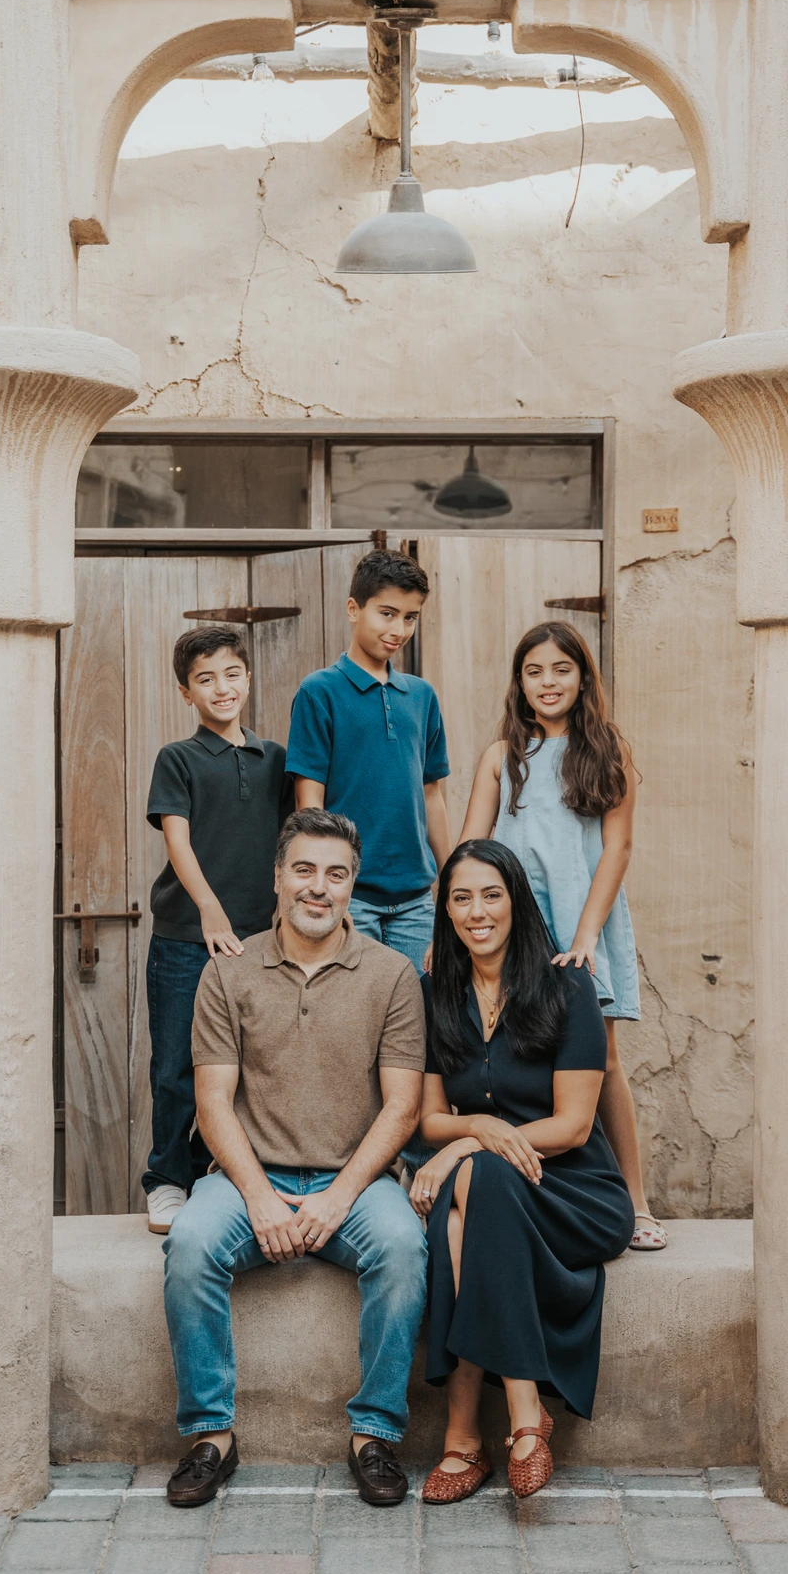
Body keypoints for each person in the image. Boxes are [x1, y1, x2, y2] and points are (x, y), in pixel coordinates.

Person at [161, 808, 429, 1510]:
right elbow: (213, 1104)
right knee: (190, 1244)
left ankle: (373, 1436)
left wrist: (338, 1197)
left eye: (335, 874)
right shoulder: (230, 972)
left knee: (403, 1247)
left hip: (356, 1182)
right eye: (304, 870)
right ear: (277, 878)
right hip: (252, 1173)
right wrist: (257, 1199)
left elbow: (401, 1107)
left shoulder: (393, 975)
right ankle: (211, 1436)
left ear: (352, 885)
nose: (319, 887)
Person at [410, 839, 634, 1503]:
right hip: (495, 1188)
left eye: (490, 894)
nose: (476, 911)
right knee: (474, 1204)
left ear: (515, 901)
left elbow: (569, 1125)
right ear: (445, 911)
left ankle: (469, 1429)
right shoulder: (435, 995)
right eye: (460, 897)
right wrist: (474, 1131)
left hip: (575, 1191)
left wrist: (462, 1148)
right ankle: (520, 1418)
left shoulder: (568, 986)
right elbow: (428, 1120)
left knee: (470, 1196)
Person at [458, 621, 665, 1251]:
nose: (548, 682)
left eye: (561, 669)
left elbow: (616, 849)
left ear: (583, 677)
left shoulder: (608, 753)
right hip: (513, 929)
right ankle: (535, 1191)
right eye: (534, 671)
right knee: (518, 1060)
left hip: (583, 924)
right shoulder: (502, 757)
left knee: (601, 1060)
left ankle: (635, 1201)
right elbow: (475, 848)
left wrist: (584, 939)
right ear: (518, 682)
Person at [142, 626, 292, 1236]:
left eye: (231, 674)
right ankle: (168, 1180)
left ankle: (229, 1174)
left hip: (260, 939)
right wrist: (208, 908)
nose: (221, 688)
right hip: (186, 937)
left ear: (248, 679)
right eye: (205, 679)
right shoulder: (177, 759)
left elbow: (293, 839)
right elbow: (177, 839)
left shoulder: (276, 758)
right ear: (187, 692)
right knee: (177, 1065)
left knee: (252, 1066)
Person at [286, 546, 451, 978]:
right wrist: (323, 892)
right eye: (387, 613)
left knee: (421, 1024)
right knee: (352, 1025)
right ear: (353, 609)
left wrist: (453, 884)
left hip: (417, 900)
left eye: (410, 617)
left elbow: (432, 795)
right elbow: (309, 805)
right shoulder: (319, 691)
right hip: (349, 897)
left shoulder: (422, 697)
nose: (399, 629)